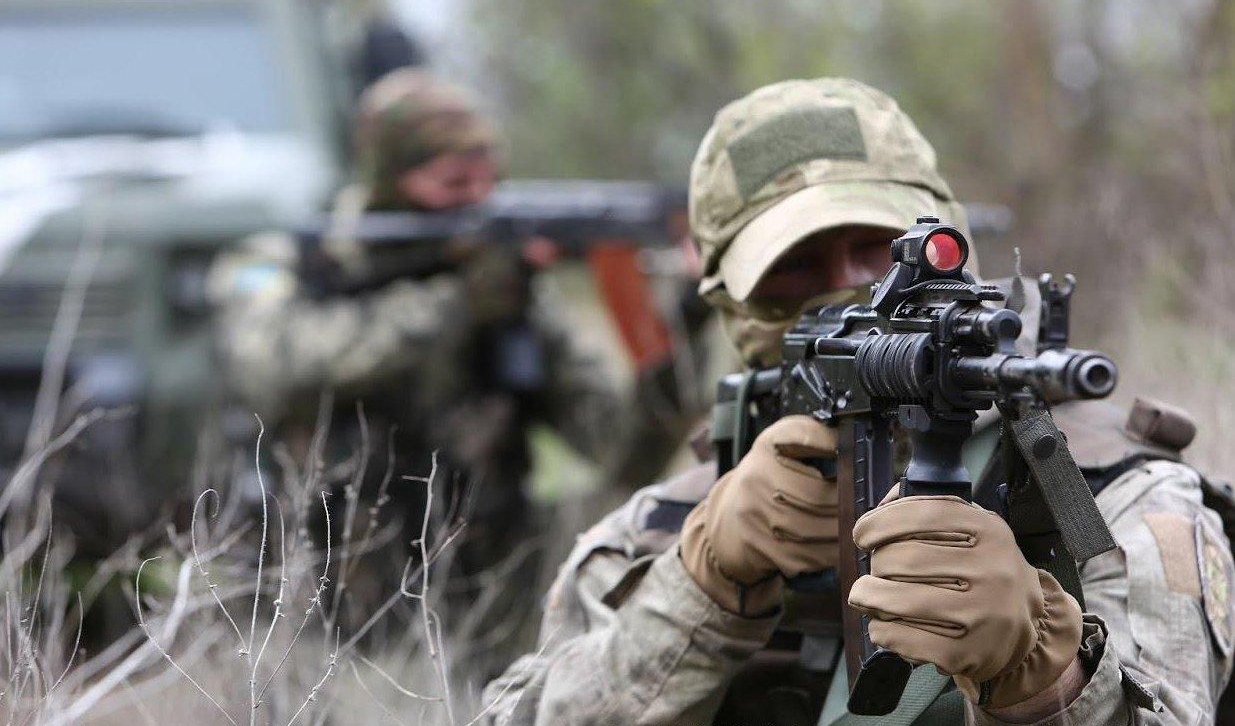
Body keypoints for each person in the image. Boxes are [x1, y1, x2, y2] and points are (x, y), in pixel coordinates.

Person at [481, 78, 1234, 725]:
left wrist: (1042, 673)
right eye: (795, 265)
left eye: (879, 248)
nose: (852, 286)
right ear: (727, 302)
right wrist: (700, 591)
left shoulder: (1115, 492)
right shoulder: (665, 531)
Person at [207, 68, 673, 661]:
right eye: (454, 181)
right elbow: (275, 369)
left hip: (488, 605)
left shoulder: (503, 290)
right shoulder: (292, 260)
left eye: (489, 179)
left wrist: (669, 342)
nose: (479, 199)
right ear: (389, 179)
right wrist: (453, 309)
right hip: (317, 614)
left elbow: (618, 449)